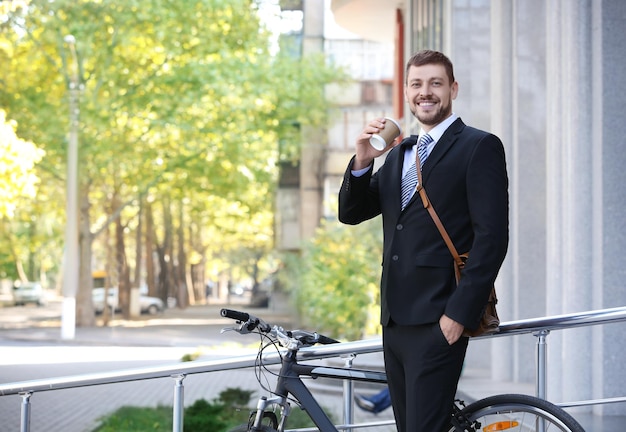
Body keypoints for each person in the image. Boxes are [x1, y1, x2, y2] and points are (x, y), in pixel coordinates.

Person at [338, 50, 509, 432]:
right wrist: (362, 161)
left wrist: (457, 317)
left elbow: (492, 239)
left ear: (453, 89)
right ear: (407, 91)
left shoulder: (479, 147)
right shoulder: (401, 153)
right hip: (394, 321)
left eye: (435, 83)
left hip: (439, 320)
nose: (425, 92)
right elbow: (351, 213)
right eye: (417, 84)